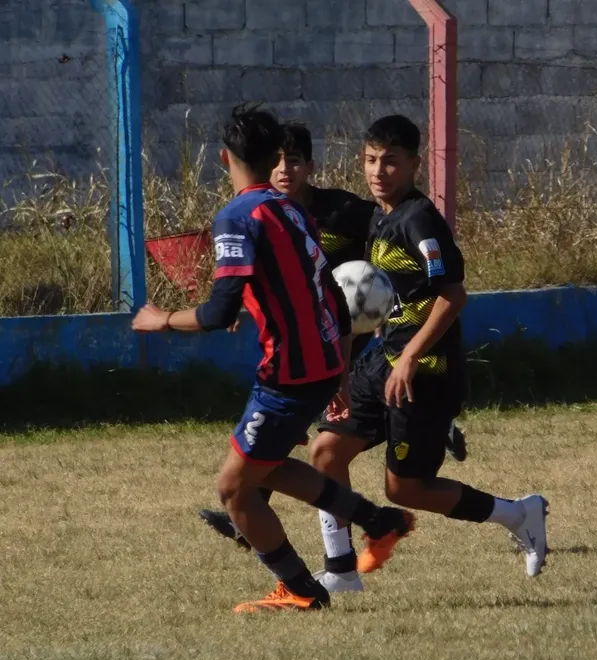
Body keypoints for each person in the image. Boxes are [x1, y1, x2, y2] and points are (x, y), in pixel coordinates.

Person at [132, 104, 414, 612]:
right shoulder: (292, 210)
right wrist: (341, 371)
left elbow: (220, 311)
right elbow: (328, 288)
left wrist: (163, 318)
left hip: (288, 373)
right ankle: (378, 520)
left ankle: (302, 590)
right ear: (271, 158)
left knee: (234, 490)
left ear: (224, 158)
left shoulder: (238, 216)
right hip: (320, 363)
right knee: (264, 465)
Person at [196, 122, 469, 565]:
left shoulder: (349, 212)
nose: (286, 170)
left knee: (297, 434)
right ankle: (333, 548)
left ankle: (268, 516)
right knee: (308, 441)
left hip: (353, 342)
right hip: (330, 340)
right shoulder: (270, 213)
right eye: (278, 160)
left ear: (310, 166)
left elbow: (427, 268)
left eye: (296, 160)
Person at [309, 114, 549, 591]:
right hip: (382, 362)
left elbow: (451, 294)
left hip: (424, 372)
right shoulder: (378, 214)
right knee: (325, 450)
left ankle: (519, 514)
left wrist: (414, 357)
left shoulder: (419, 219)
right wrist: (342, 375)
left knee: (406, 490)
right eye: (371, 160)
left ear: (415, 164)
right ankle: (340, 571)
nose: (379, 171)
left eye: (391, 162)